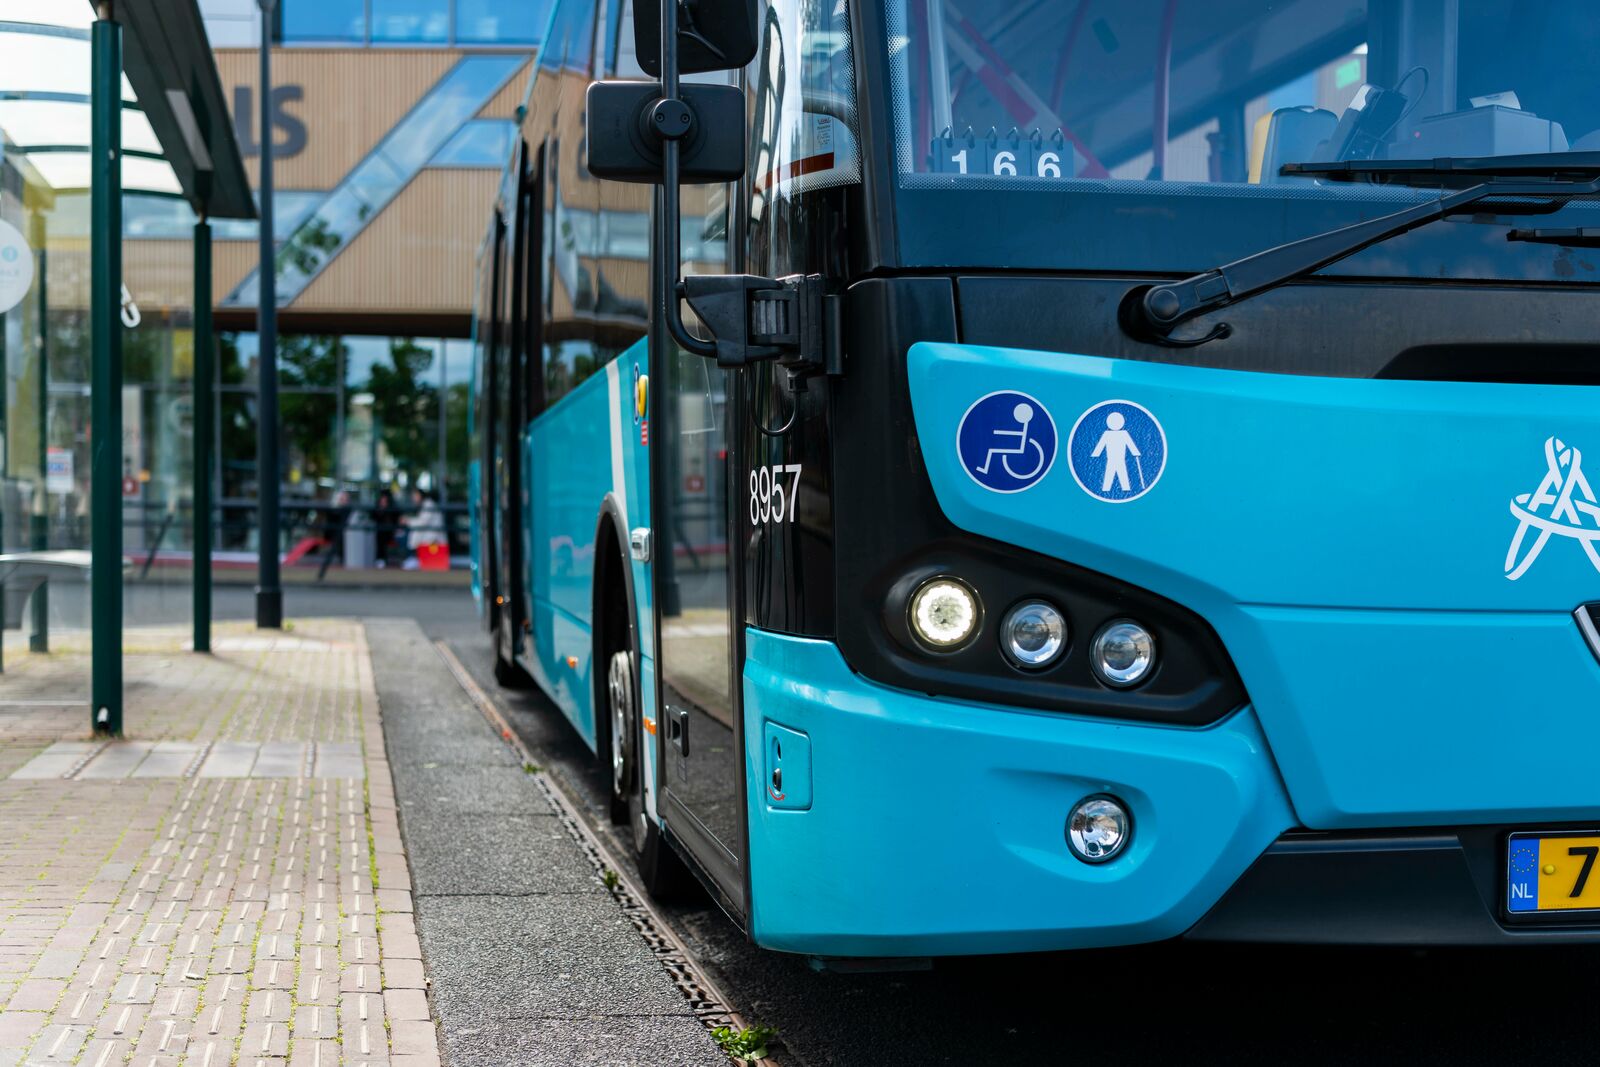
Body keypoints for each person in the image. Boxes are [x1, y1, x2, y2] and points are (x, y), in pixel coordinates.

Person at [1090, 411, 1141, 493]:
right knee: (1111, 475)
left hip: (1119, 459)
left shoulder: (1123, 434)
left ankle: (1123, 488)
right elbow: (1101, 445)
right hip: (1112, 459)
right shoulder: (1109, 434)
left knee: (1120, 474)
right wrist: (1135, 452)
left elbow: (1130, 444)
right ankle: (1110, 489)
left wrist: (1096, 454)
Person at [403, 488, 446, 569]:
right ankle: (413, 557)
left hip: (433, 535)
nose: (414, 498)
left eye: (415, 496)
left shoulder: (428, 504)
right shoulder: (424, 504)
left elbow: (423, 522)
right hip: (428, 532)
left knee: (413, 533)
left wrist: (408, 521)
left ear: (420, 495)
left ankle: (413, 558)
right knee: (409, 533)